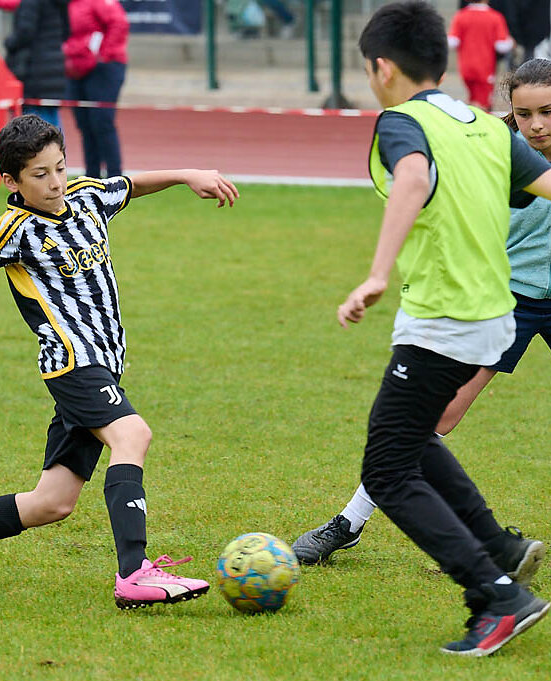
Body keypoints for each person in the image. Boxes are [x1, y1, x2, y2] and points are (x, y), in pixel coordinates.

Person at [0, 114, 239, 608]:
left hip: (104, 364)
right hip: (74, 364)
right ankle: (135, 573)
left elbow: (130, 185)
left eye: (60, 167)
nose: (55, 182)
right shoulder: (13, 231)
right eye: (40, 174)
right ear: (12, 181)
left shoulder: (87, 198)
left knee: (52, 503)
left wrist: (187, 175)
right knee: (133, 435)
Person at [298, 1, 551, 656]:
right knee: (412, 439)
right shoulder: (486, 127)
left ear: (382, 67)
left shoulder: (401, 122)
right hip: (492, 313)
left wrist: (376, 273)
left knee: (387, 468)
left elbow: (412, 177)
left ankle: (495, 595)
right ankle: (500, 549)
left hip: (443, 319)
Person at [63, 0, 129, 178]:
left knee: (102, 122)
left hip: (103, 68)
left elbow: (119, 23)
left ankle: (115, 177)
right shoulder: (66, 4)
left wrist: (102, 55)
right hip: (76, 69)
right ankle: (91, 177)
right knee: (84, 124)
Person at [3, 0, 70, 127]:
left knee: (30, 123)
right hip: (54, 66)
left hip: (34, 69)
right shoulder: (59, 3)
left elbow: (25, 32)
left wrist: (8, 42)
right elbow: (66, 31)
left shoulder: (31, 2)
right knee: (51, 119)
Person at [448, 0, 513, 110]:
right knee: (483, 104)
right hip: (485, 68)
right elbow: (501, 46)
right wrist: (511, 42)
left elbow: (452, 42)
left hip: (466, 67)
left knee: (473, 99)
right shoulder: (495, 17)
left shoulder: (460, 16)